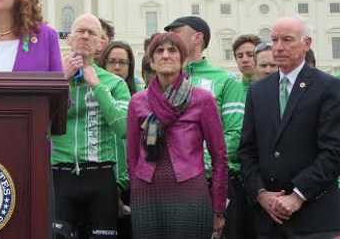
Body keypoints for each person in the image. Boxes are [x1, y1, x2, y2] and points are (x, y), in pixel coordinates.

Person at [239, 17, 340, 238]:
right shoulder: (258, 91)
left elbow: (333, 152)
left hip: (314, 219)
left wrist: (297, 196)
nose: (278, 47)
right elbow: (247, 150)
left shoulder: (329, 88)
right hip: (268, 220)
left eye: (287, 40)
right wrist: (261, 194)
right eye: (274, 40)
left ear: (307, 43)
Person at [127, 32, 227, 239]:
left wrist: (218, 207)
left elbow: (219, 157)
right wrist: (136, 189)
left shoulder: (202, 99)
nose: (165, 55)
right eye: (159, 51)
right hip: (147, 195)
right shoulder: (137, 102)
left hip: (190, 192)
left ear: (182, 59)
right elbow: (132, 157)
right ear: (151, 62)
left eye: (172, 50)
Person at [165, 15, 246, 239]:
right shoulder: (164, 79)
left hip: (212, 182)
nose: (170, 40)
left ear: (197, 37)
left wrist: (198, 165)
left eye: (177, 33)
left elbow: (235, 134)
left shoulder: (226, 81)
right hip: (170, 185)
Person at [52, 14, 130, 239]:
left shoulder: (115, 83)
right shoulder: (52, 77)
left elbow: (123, 128)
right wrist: (61, 81)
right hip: (60, 173)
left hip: (100, 175)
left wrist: (96, 85)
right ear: (68, 38)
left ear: (100, 43)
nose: (85, 36)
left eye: (92, 33)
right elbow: (40, 124)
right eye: (80, 31)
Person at [97, 40, 140, 239]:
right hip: (103, 180)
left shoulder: (140, 97)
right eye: (112, 61)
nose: (116, 67)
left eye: (123, 62)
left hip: (134, 183)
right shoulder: (95, 94)